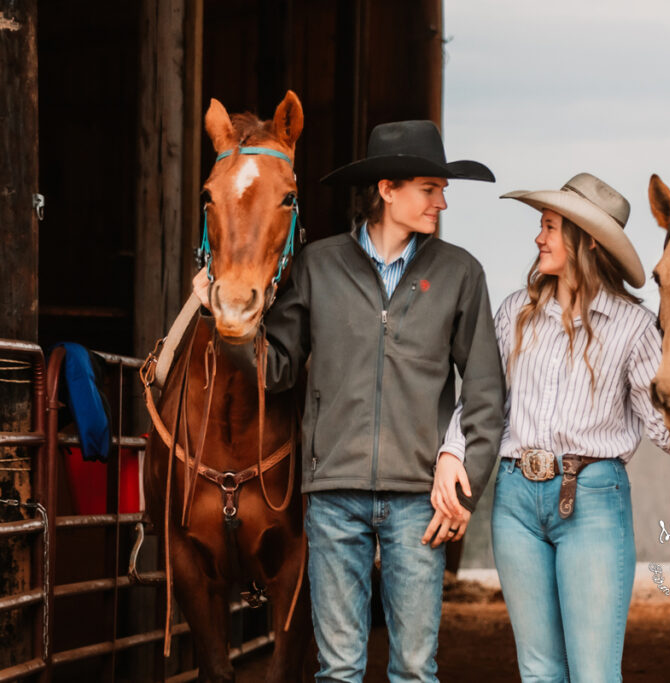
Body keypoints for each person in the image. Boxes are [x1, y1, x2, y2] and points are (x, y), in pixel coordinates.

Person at [195, 120, 505, 682]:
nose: (442, 201)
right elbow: (279, 368)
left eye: (442, 189)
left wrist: (463, 480)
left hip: (419, 502)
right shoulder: (319, 266)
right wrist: (231, 326)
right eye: (429, 188)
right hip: (334, 496)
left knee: (414, 668)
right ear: (387, 190)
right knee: (338, 670)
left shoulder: (460, 273)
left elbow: (485, 391)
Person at [437, 173, 670, 682]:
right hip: (514, 500)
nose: (539, 237)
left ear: (585, 241)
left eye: (551, 226)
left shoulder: (634, 327)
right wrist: (452, 451)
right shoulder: (515, 312)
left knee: (594, 675)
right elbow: (482, 401)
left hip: (593, 503)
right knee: (538, 673)